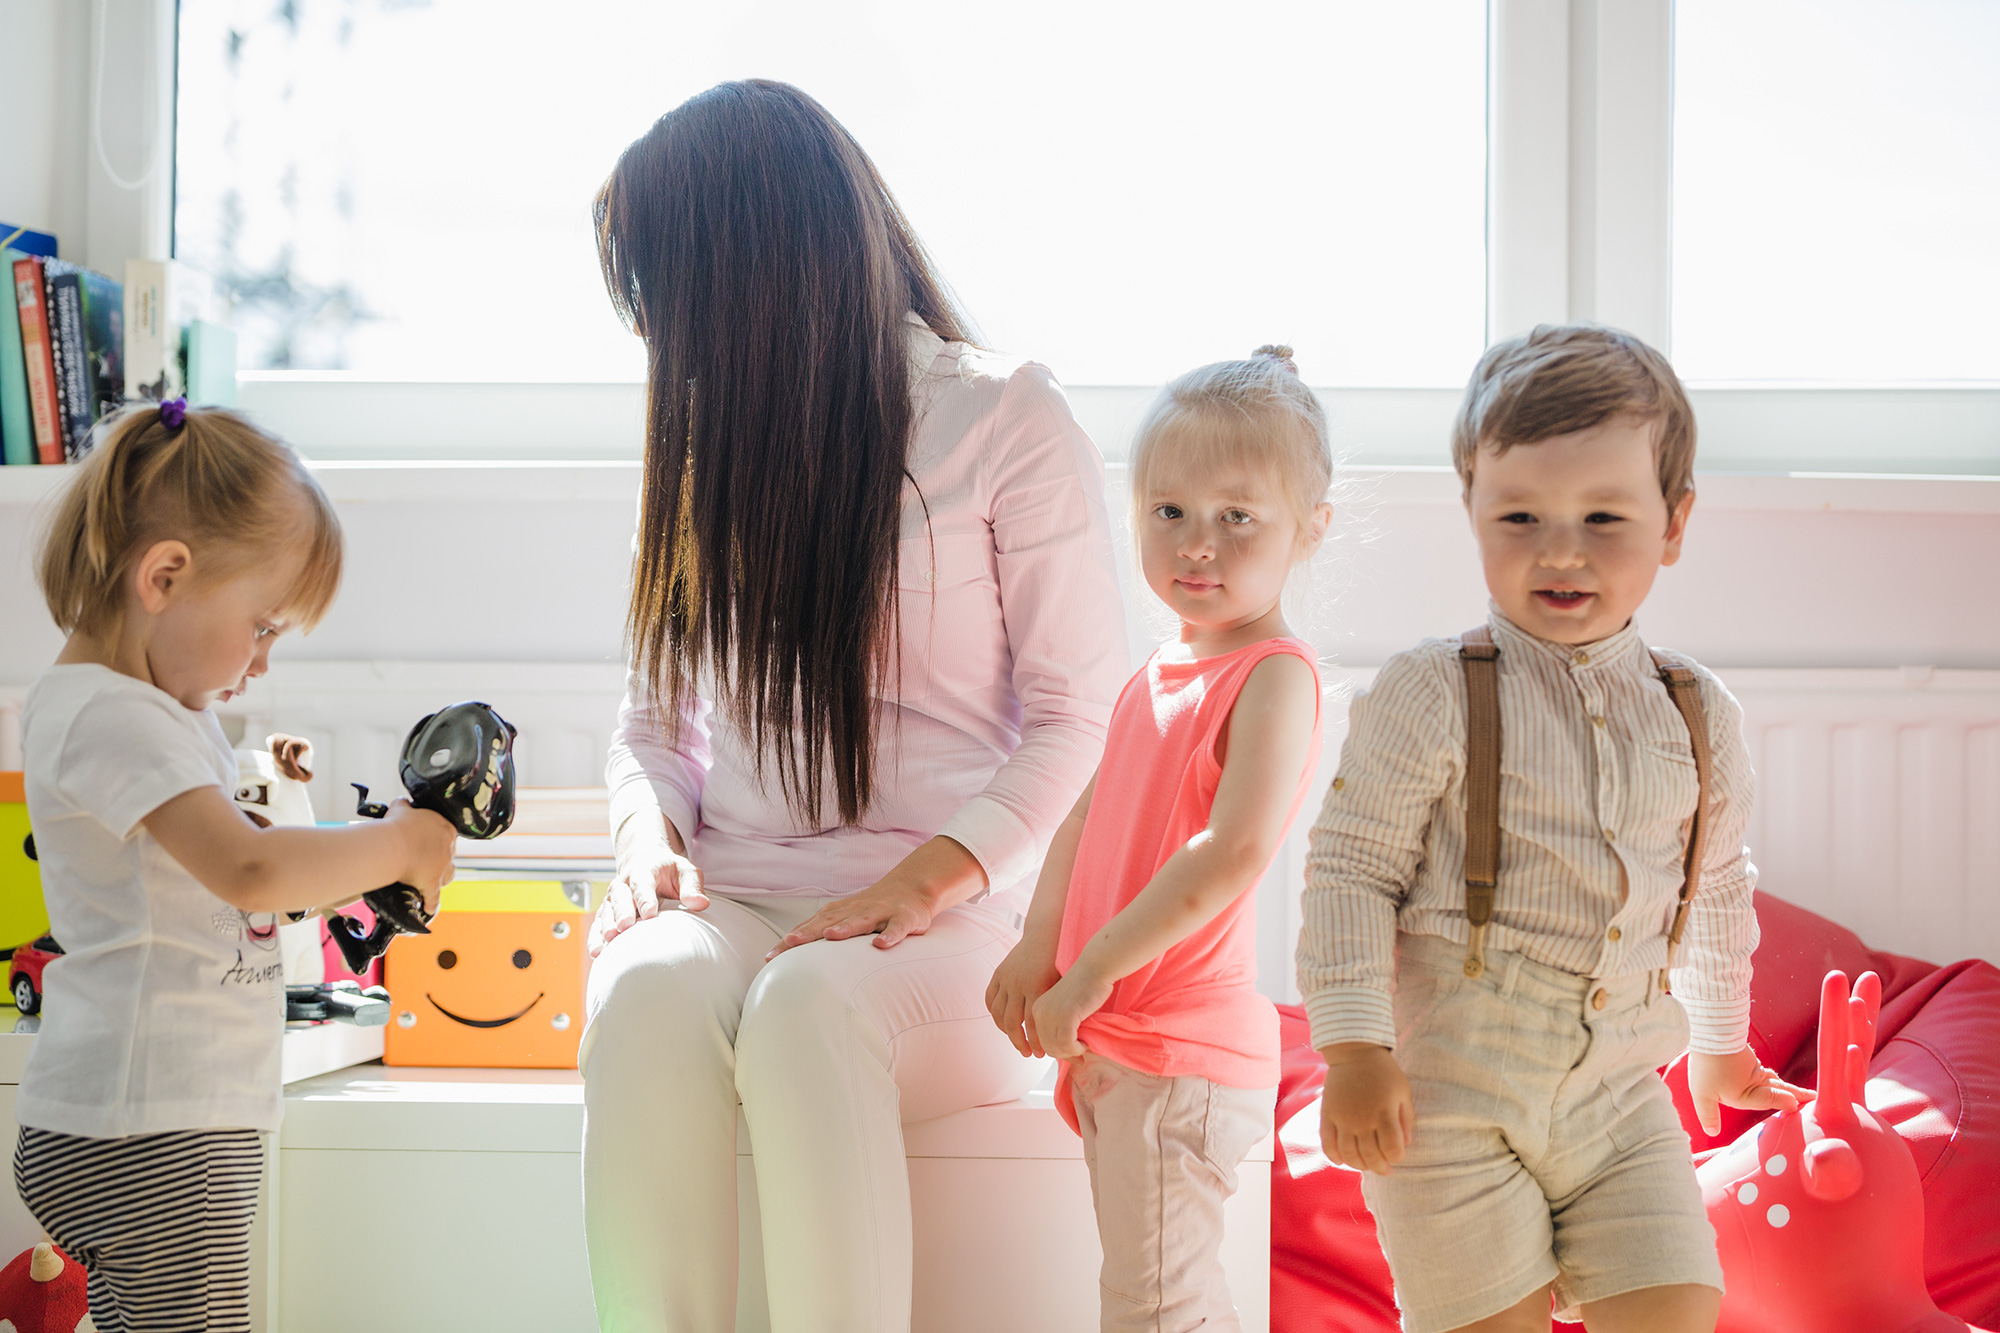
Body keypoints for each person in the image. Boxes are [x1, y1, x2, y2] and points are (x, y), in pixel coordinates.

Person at [578, 80, 1128, 1332]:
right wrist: (645, 844)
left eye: (672, 299)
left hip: (955, 930)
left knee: (807, 1010)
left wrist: (925, 878)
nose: (667, 340)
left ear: (760, 272)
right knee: (645, 989)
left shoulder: (1000, 418)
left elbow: (1078, 718)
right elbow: (650, 729)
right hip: (741, 897)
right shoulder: (703, 452)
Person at [1299, 325, 1815, 1333]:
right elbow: (1350, 872)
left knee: (1677, 1304)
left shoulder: (1695, 709)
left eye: (1602, 516)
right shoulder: (1431, 687)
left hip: (1619, 1095)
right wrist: (1355, 1047)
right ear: (1472, 513)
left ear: (1673, 522)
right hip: (1450, 1093)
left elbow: (1712, 885)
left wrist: (1716, 1041)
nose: (1560, 549)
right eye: (1520, 515)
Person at [15, 400, 459, 1332]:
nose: (260, 663)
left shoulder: (142, 711)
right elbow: (250, 872)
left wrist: (344, 868)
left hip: (146, 1115)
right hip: (158, 1127)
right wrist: (405, 842)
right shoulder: (113, 714)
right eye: (260, 626)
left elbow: (238, 887)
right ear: (165, 576)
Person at [988, 347, 1332, 1332]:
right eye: (1168, 511)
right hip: (1121, 1039)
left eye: (1237, 517)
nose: (1197, 544)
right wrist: (1036, 944)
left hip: (1178, 1051)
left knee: (1153, 1311)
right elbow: (1086, 818)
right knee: (1164, 1303)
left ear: (1307, 530)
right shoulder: (1157, 672)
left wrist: (1092, 969)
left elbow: (1230, 852)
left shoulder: (1271, 676)